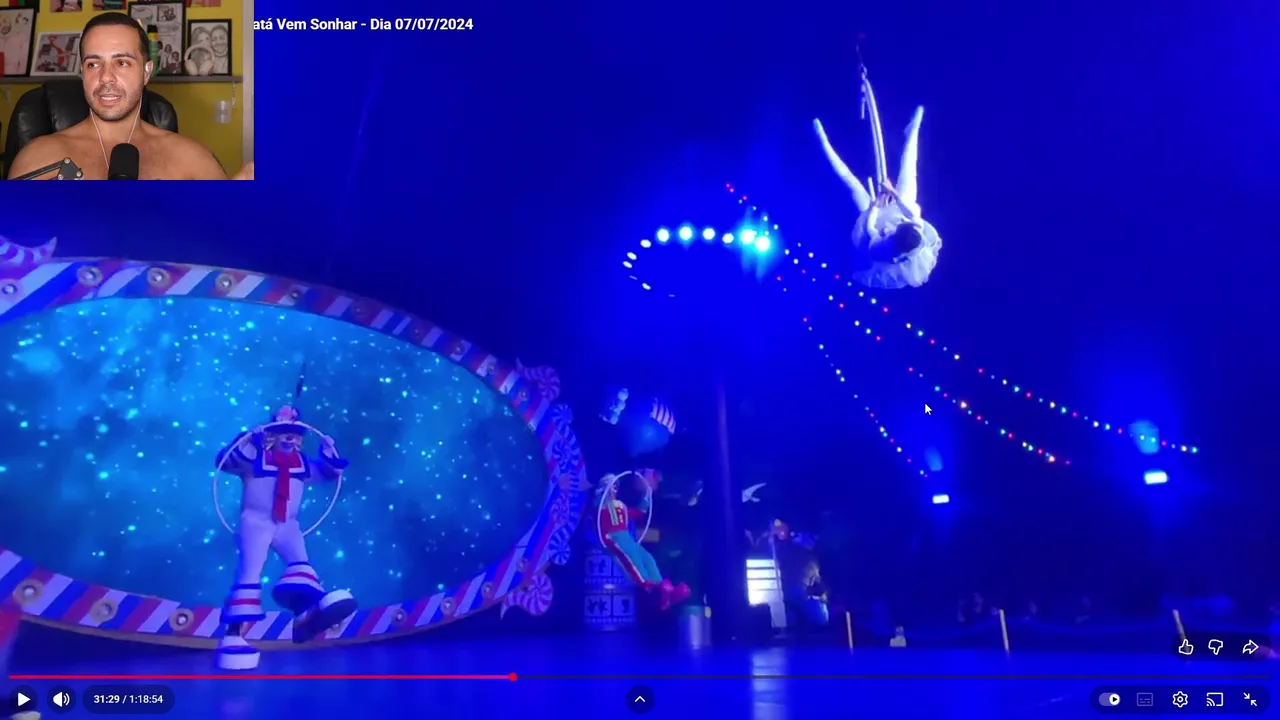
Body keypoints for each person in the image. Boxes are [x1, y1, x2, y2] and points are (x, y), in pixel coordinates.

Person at [6, 13, 252, 180]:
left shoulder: (192, 160)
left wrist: (239, 203)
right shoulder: (39, 158)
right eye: (93, 64)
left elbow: (225, 233)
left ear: (146, 72)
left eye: (122, 62)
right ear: (82, 73)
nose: (106, 77)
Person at [213, 405, 357, 670]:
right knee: (249, 575)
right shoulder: (256, 458)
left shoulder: (301, 464)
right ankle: (233, 635)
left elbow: (328, 472)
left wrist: (328, 451)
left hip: (287, 525)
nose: (291, 439)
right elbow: (226, 461)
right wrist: (248, 440)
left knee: (301, 565)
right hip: (256, 523)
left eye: (296, 434)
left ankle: (304, 616)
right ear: (272, 435)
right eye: (284, 433)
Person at [813, 66, 942, 289]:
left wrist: (875, 206)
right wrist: (892, 194)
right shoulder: (915, 230)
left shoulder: (881, 250)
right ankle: (913, 130)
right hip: (899, 217)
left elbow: (870, 229)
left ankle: (822, 141)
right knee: (909, 169)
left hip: (872, 225)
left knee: (851, 184)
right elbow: (912, 213)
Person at [596, 473, 691, 610]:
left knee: (647, 558)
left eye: (615, 486)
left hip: (626, 536)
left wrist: (647, 497)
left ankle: (664, 588)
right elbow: (598, 524)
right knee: (632, 560)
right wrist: (606, 542)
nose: (613, 490)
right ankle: (648, 585)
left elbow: (637, 513)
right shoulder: (601, 507)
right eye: (611, 486)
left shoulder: (620, 506)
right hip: (613, 537)